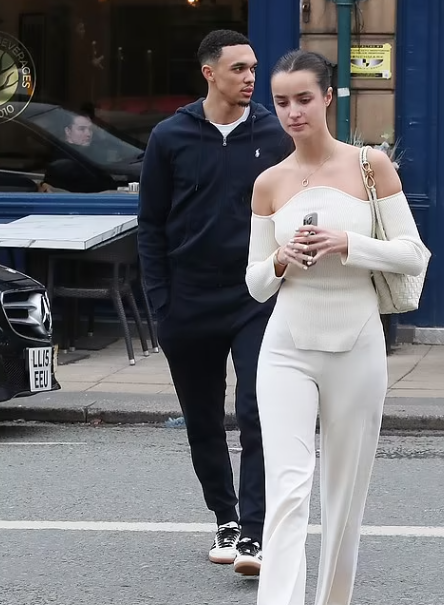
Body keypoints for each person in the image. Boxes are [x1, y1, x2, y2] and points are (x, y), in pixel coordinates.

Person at [245, 50, 428, 604]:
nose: (293, 112)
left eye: (304, 99)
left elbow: (413, 254)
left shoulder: (371, 166)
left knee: (346, 495)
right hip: (286, 346)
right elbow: (255, 283)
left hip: (357, 342)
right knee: (287, 488)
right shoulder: (269, 182)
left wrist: (349, 243)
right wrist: (281, 260)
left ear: (327, 97)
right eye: (281, 102)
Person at [137, 29, 291, 576]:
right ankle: (225, 518)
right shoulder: (170, 136)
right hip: (188, 300)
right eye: (238, 69)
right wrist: (162, 303)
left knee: (257, 412)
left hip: (255, 297)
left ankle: (254, 532)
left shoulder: (274, 134)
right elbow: (150, 225)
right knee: (202, 419)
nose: (250, 78)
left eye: (253, 69)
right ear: (209, 73)